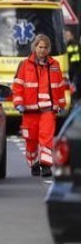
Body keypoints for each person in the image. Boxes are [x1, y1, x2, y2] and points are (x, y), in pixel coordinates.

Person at [12, 34, 66, 178]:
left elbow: (59, 87)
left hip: (48, 110)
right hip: (30, 111)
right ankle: (34, 162)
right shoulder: (24, 65)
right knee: (31, 140)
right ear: (35, 47)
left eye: (45, 47)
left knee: (46, 138)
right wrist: (18, 103)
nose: (42, 50)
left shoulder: (54, 65)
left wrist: (62, 104)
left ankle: (46, 166)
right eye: (40, 47)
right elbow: (17, 87)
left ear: (49, 49)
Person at [65, 27, 81, 103]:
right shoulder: (68, 45)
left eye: (68, 35)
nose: (66, 37)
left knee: (75, 85)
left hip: (76, 68)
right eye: (65, 36)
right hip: (72, 69)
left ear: (72, 36)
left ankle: (75, 100)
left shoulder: (72, 45)